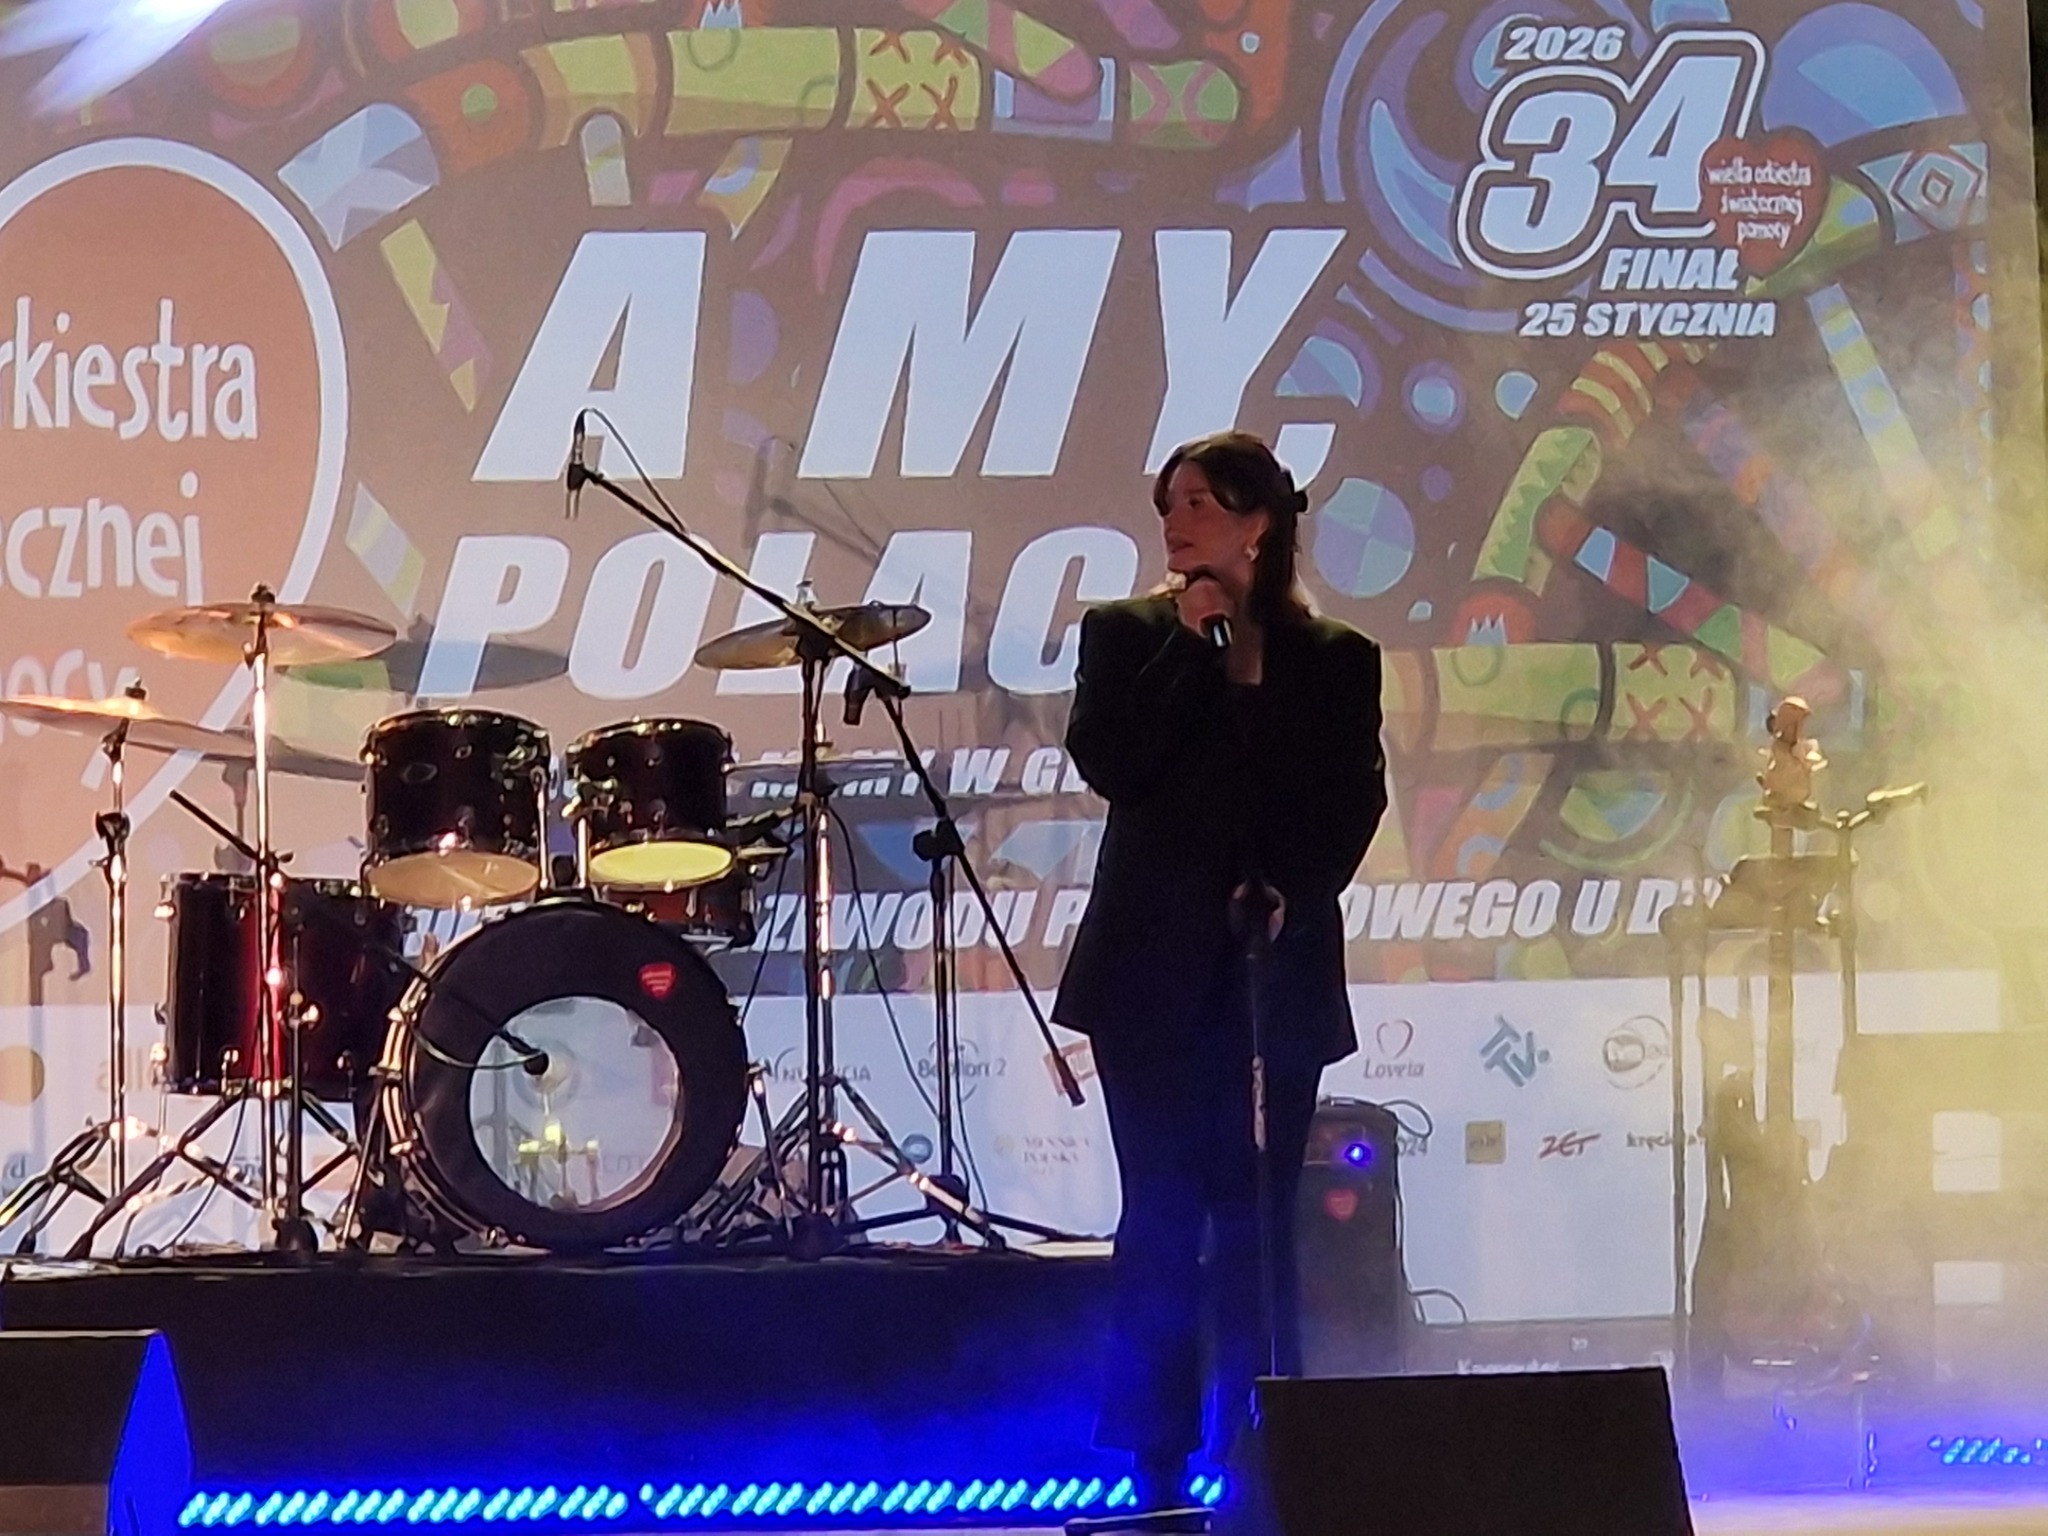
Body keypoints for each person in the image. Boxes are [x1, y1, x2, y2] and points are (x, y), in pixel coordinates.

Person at [1053, 431, 1387, 1512]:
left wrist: (1293, 886)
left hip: (1270, 970)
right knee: (1158, 1214)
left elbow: (1351, 798)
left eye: (1198, 502)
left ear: (1257, 522)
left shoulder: (1335, 655)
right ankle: (1152, 1458)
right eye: (1168, 504)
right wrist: (1189, 649)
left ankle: (1260, 1435)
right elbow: (1113, 761)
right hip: (1148, 977)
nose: (1175, 522)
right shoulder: (1127, 634)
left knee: (1256, 1218)